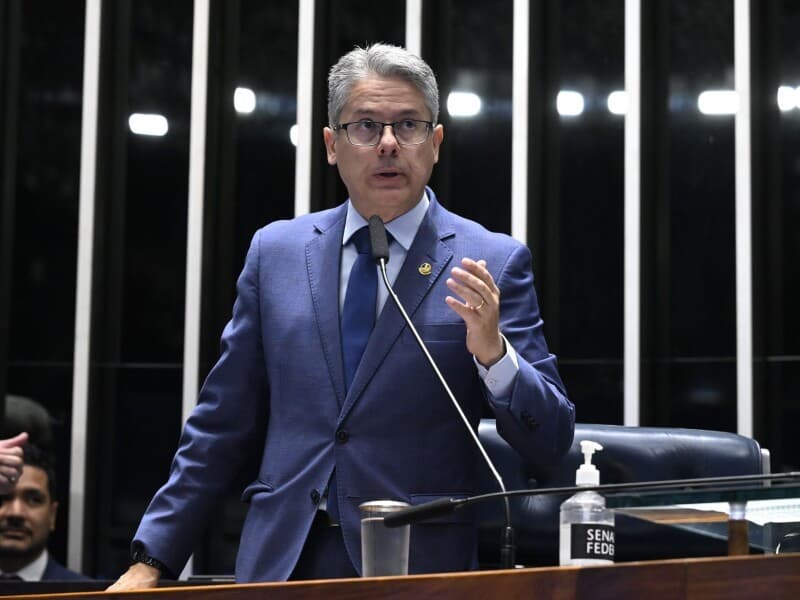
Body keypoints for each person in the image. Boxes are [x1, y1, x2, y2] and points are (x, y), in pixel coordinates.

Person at [110, 43, 575, 589]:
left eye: (408, 125)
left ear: (437, 143)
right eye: (364, 127)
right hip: (282, 561)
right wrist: (154, 559)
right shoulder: (276, 253)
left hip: (415, 563)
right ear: (331, 145)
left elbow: (551, 437)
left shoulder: (490, 261)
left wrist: (495, 355)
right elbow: (219, 424)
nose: (386, 145)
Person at [0, 443, 90, 581]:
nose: (16, 513)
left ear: (52, 515)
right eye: (3, 497)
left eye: (33, 500)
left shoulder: (87, 594)